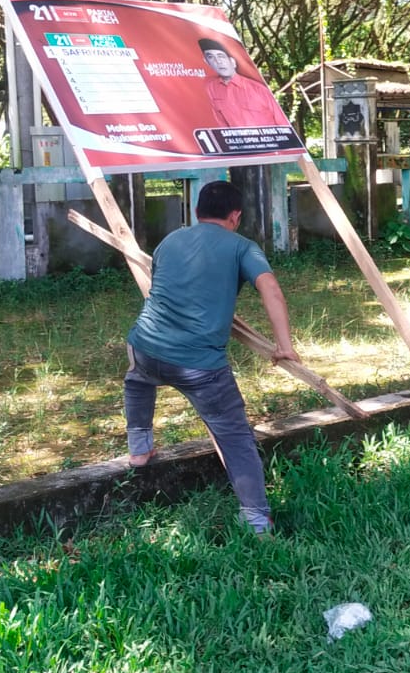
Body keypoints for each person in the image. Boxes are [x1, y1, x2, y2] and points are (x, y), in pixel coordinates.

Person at [123, 180, 299, 533]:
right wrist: (285, 345)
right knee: (235, 436)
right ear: (236, 216)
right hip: (199, 366)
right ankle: (256, 520)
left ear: (195, 211)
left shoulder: (170, 240)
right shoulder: (242, 247)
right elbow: (271, 289)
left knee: (137, 381)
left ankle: (139, 450)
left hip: (143, 346)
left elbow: (166, 288)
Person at [199, 36, 288, 128]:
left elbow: (283, 123)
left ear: (233, 62)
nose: (218, 62)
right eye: (211, 57)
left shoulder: (258, 89)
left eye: (221, 56)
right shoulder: (212, 88)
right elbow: (222, 123)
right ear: (207, 62)